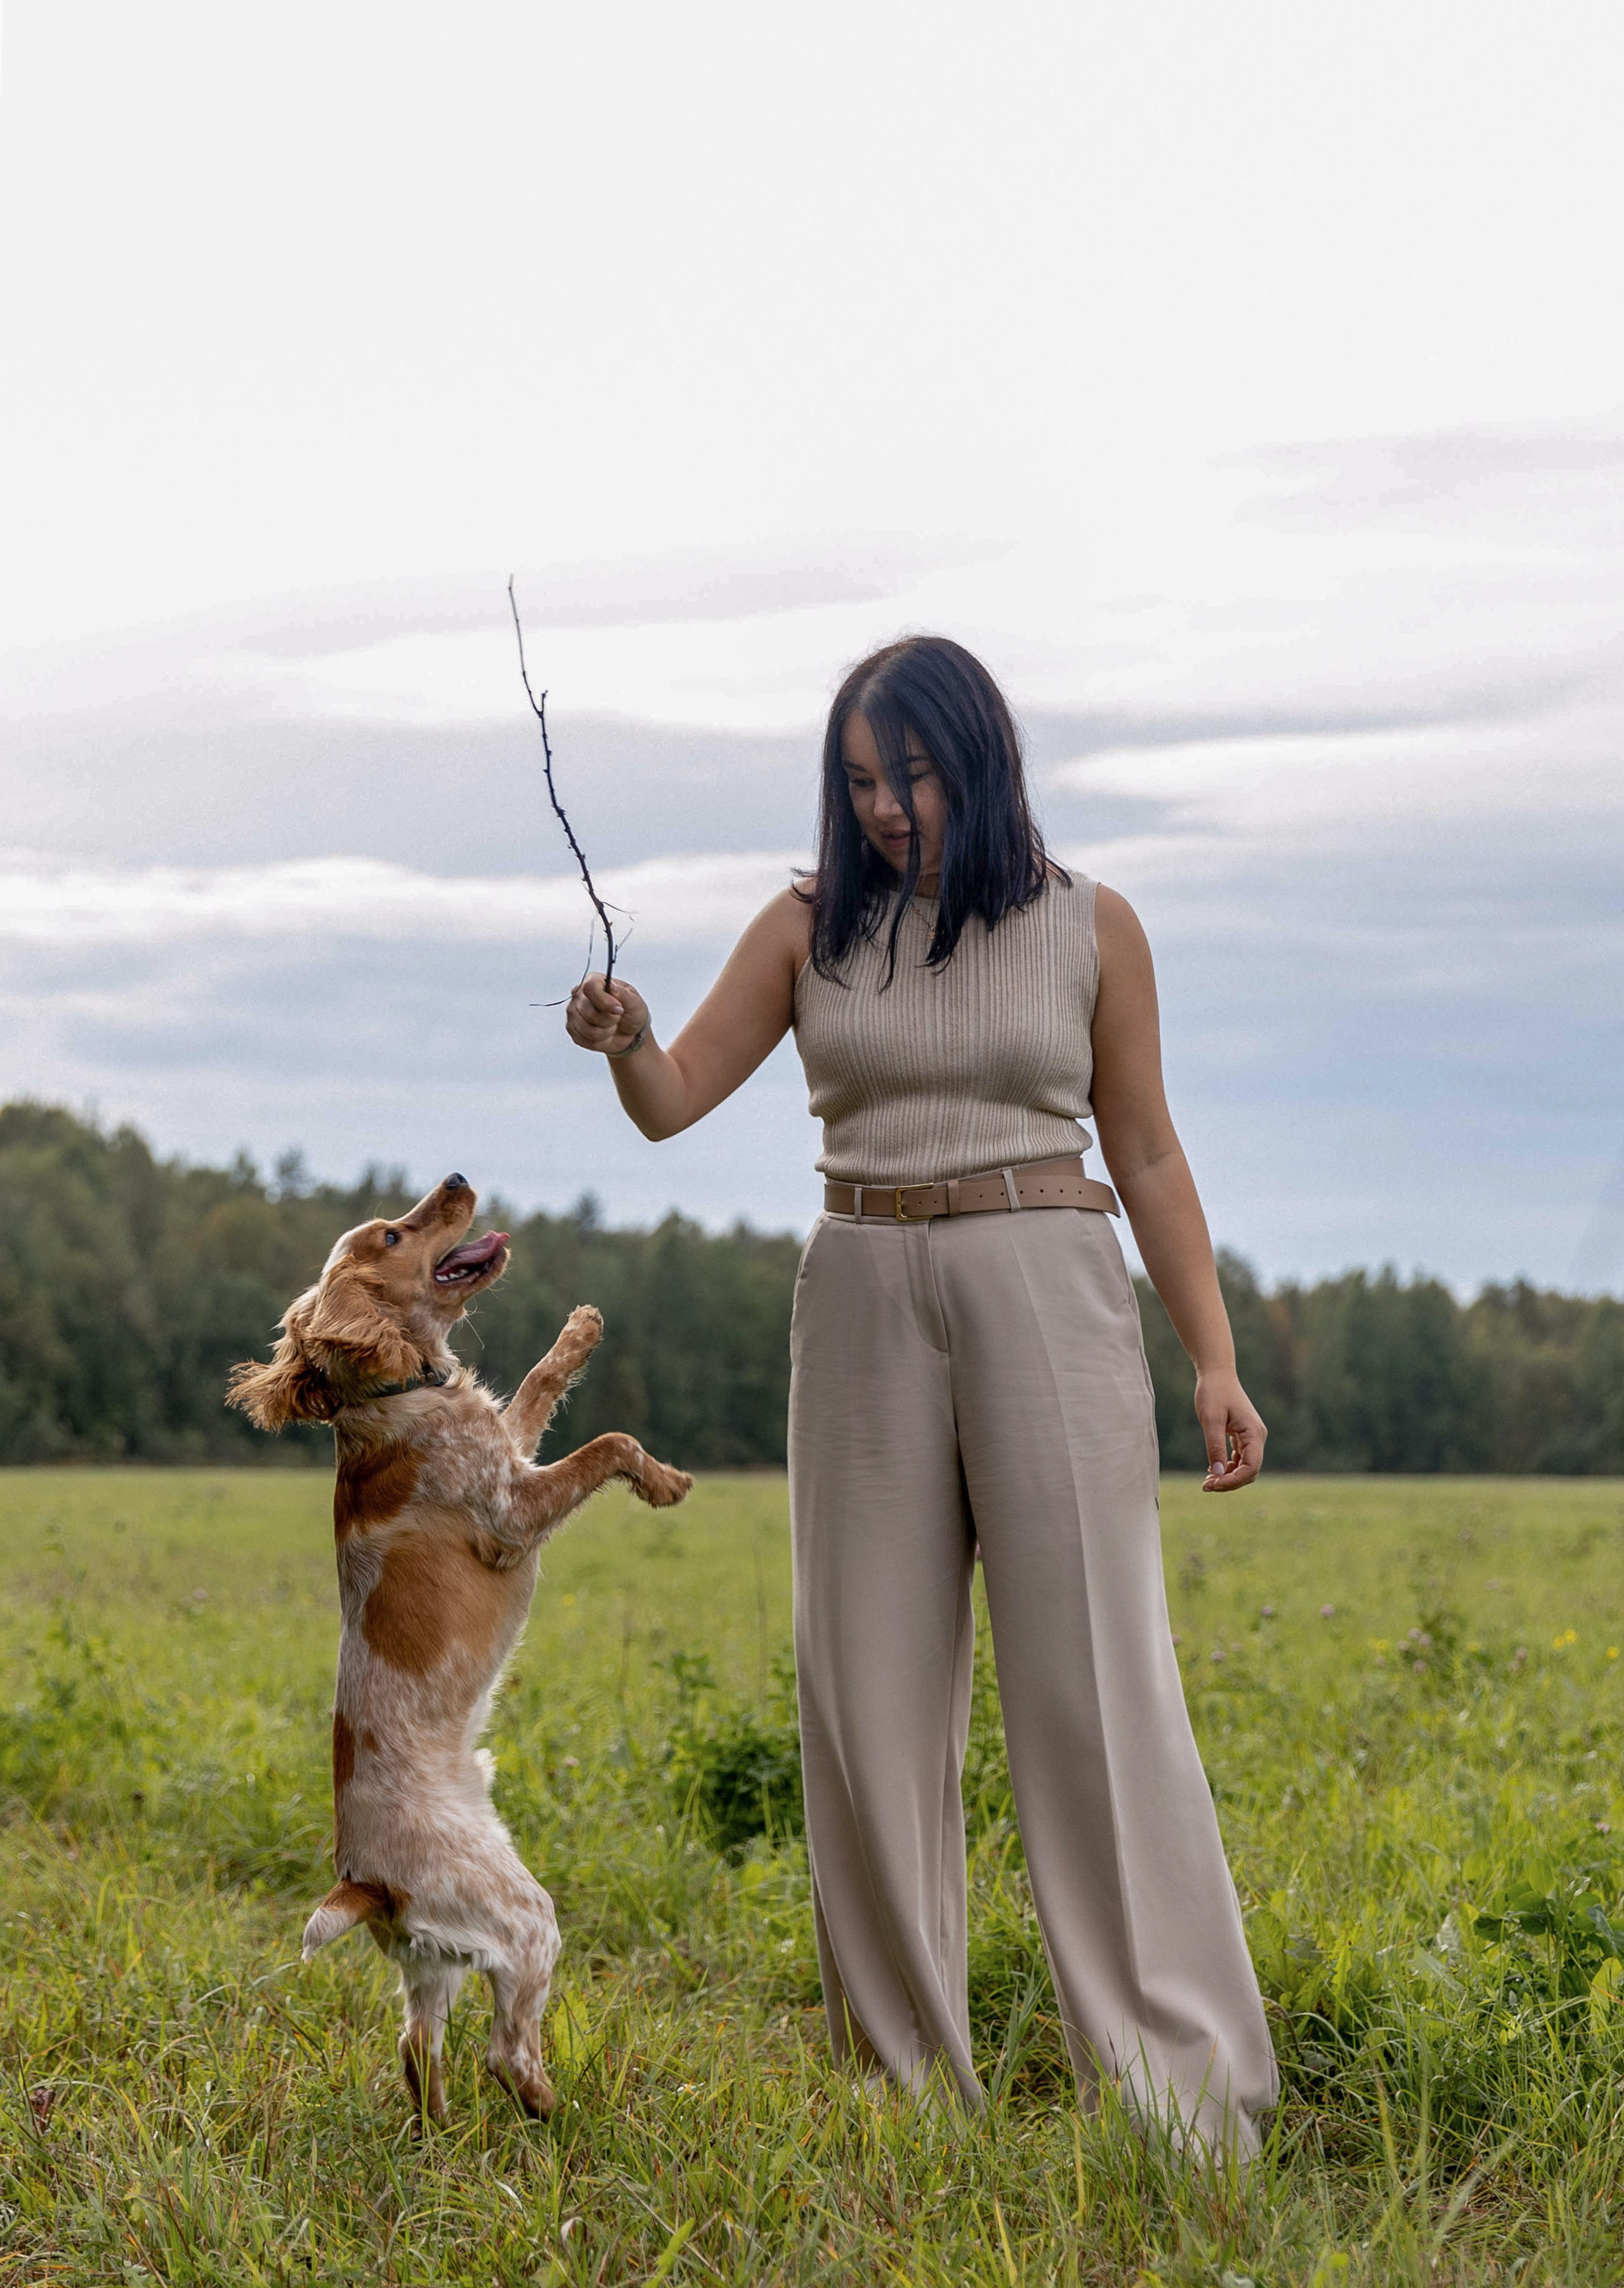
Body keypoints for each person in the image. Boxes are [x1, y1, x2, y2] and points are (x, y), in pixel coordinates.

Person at [565, 635, 1278, 2152]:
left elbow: (1144, 1150)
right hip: (862, 1290)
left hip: (1049, 1281)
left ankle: (1179, 2096)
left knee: (1093, 1687)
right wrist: (627, 1043)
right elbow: (676, 1099)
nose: (887, 805)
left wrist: (1209, 1358)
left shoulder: (1092, 924)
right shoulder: (804, 928)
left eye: (915, 771)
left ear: (984, 756)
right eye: (860, 779)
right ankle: (902, 2096)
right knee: (866, 1696)